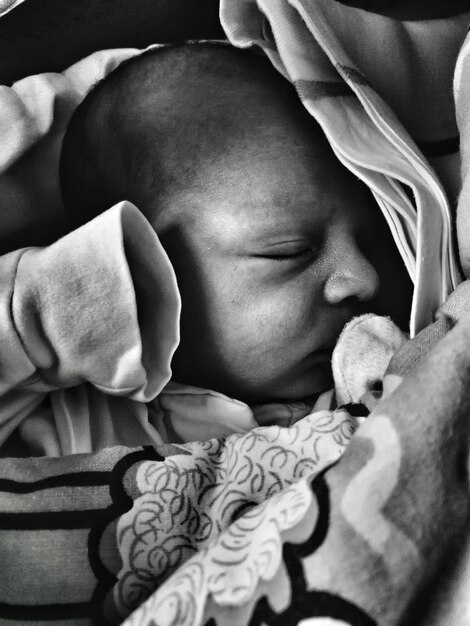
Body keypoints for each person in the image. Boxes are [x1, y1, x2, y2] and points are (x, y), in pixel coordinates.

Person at [0, 43, 412, 456]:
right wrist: (88, 296)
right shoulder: (77, 422)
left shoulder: (386, 371)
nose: (364, 278)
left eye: (373, 239)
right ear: (148, 268)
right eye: (289, 252)